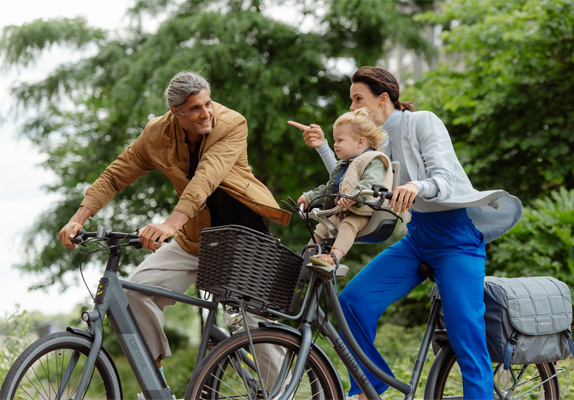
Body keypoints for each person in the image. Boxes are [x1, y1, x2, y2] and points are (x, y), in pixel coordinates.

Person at [290, 66, 522, 400]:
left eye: (359, 99)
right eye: (351, 99)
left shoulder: (422, 122)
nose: (354, 106)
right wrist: (325, 147)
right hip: (417, 239)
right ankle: (371, 386)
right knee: (352, 303)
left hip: (456, 238)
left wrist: (416, 186)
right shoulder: (377, 144)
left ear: (383, 99)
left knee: (465, 336)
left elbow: (446, 178)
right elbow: (352, 183)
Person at [58, 71, 291, 390]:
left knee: (253, 329)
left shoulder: (232, 123)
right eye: (195, 108)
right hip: (195, 239)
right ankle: (153, 376)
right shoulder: (157, 134)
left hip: (241, 240)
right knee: (134, 291)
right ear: (175, 113)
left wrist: (168, 225)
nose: (206, 113)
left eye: (208, 104)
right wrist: (78, 219)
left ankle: (286, 394)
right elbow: (115, 175)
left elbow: (206, 179)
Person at [297, 108, 393, 268]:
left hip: (364, 210)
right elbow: (330, 187)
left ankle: (334, 257)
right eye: (334, 141)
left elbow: (370, 182)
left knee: (347, 225)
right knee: (322, 227)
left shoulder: (374, 160)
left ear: (360, 142)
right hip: (344, 209)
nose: (335, 145)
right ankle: (304, 259)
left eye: (340, 140)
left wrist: (353, 197)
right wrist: (308, 197)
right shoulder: (346, 164)